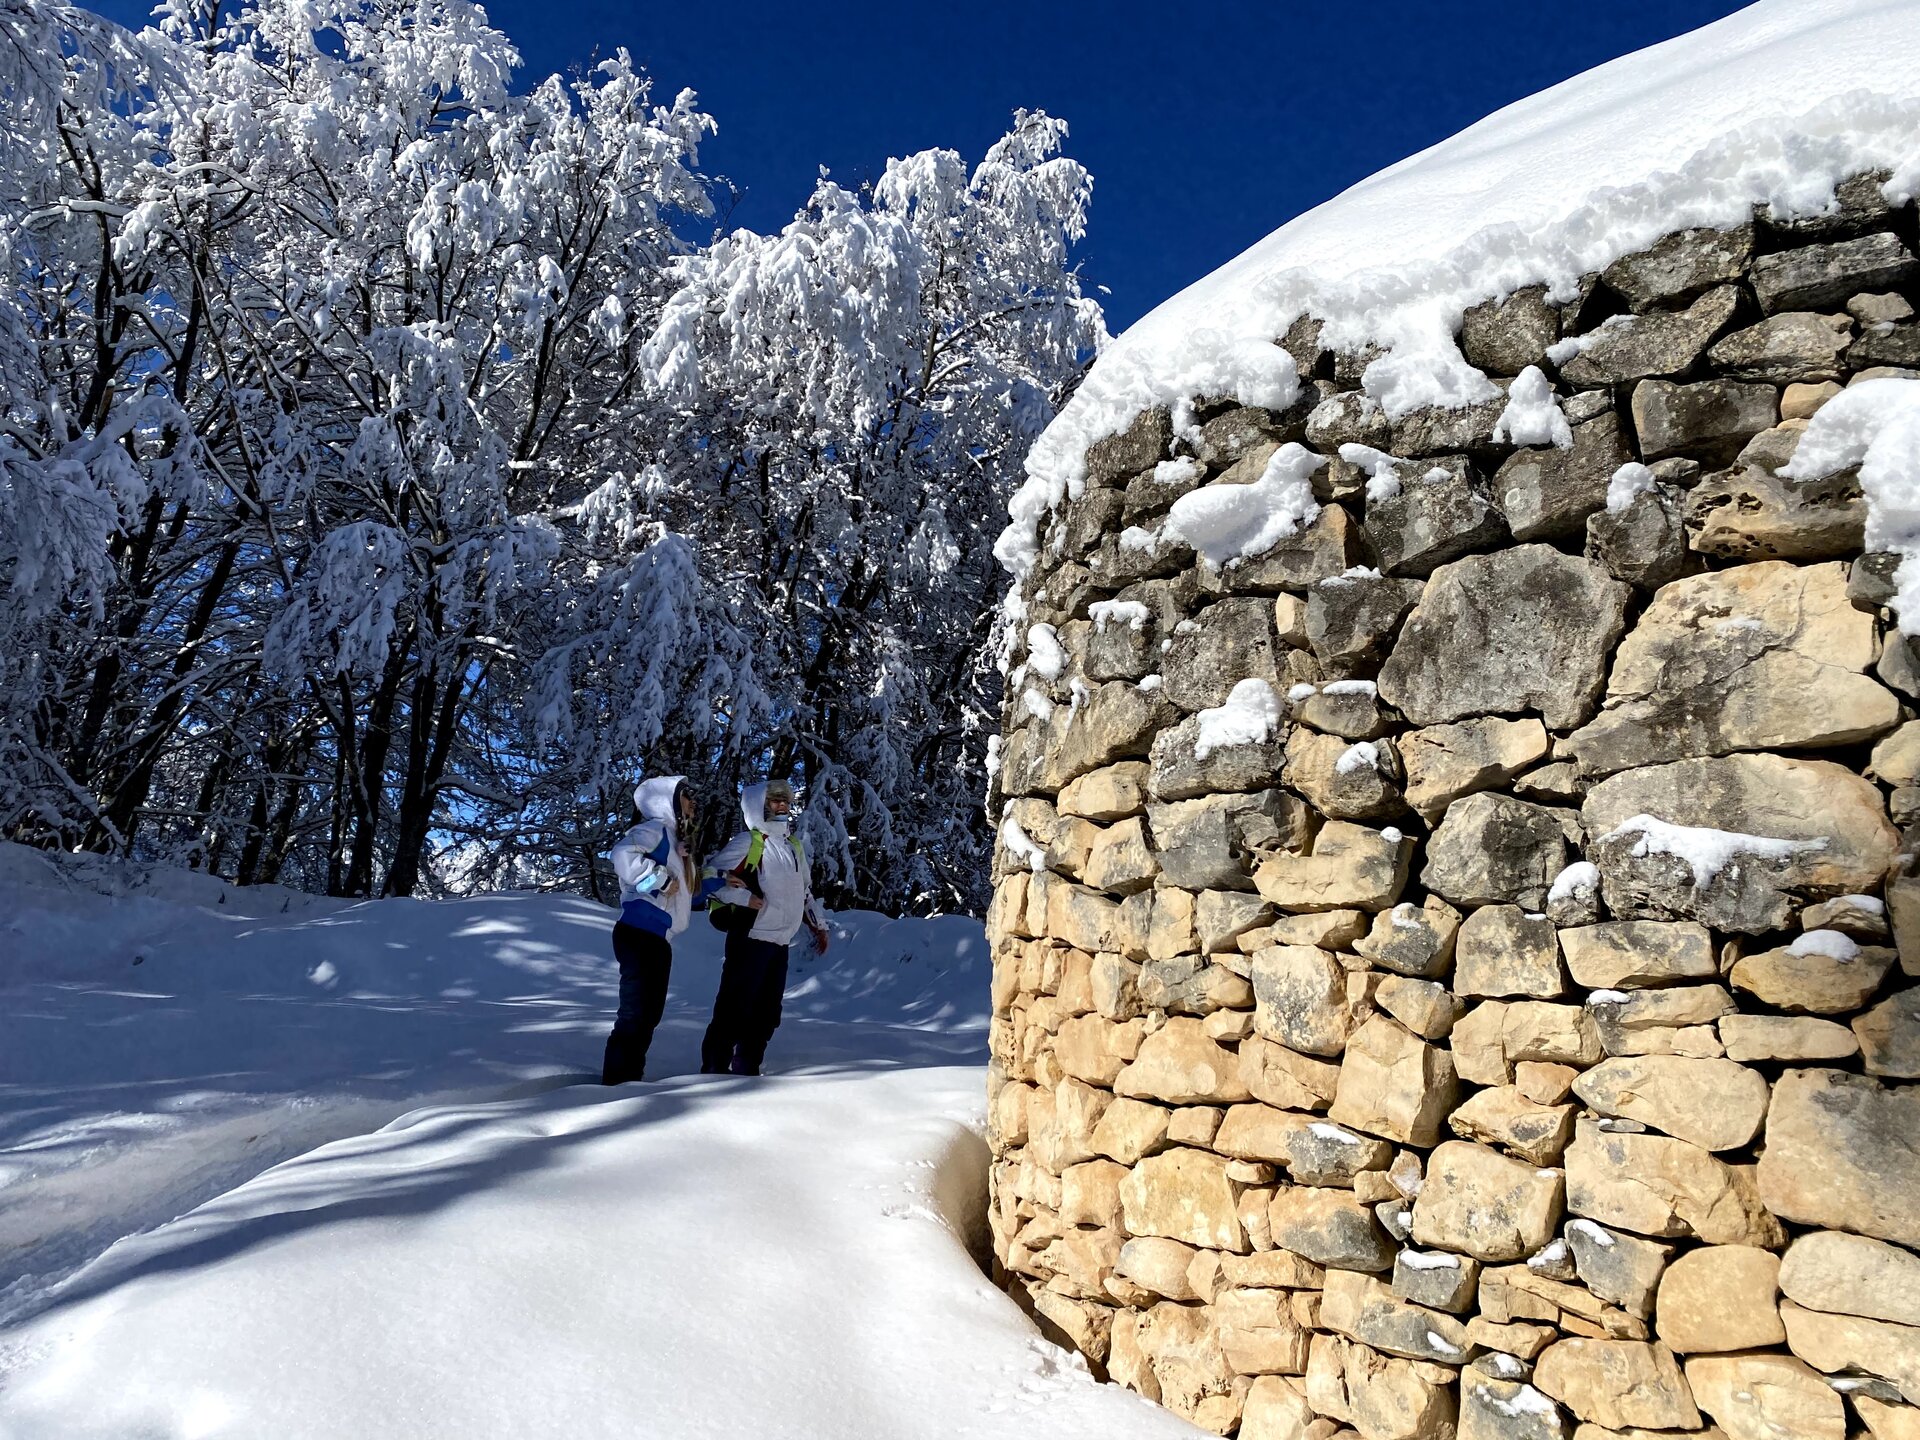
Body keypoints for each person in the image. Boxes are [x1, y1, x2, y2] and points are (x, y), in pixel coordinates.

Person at [701, 779, 828, 1076]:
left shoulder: (793, 846)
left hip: (780, 942)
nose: (782, 805)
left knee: (767, 1014)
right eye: (775, 800)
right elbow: (710, 876)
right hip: (750, 939)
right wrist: (743, 897)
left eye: (786, 800)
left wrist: (818, 925)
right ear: (759, 806)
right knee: (734, 1010)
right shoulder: (749, 842)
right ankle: (713, 1073)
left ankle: (747, 1072)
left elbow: (805, 891)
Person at [602, 775, 698, 1085]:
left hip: (657, 938)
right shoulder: (654, 830)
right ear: (666, 800)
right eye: (685, 795)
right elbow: (621, 855)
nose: (692, 801)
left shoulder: (673, 841)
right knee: (636, 1015)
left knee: (647, 1015)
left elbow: (688, 894)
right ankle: (614, 1086)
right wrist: (659, 879)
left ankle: (629, 1080)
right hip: (639, 932)